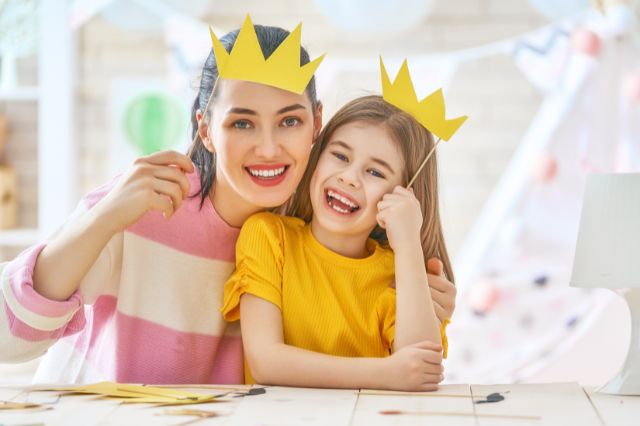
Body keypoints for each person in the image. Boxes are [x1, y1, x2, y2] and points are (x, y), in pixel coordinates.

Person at [0, 17, 455, 385]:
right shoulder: (146, 203)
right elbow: (8, 342)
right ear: (205, 129)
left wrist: (415, 290)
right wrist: (103, 218)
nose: (269, 147)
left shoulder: (310, 231)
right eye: (242, 123)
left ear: (316, 124)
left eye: (290, 122)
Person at [222, 87, 458, 391]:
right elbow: (266, 362)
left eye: (375, 172)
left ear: (402, 195)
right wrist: (385, 373)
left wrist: (409, 243)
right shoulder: (268, 237)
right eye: (340, 155)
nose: (349, 177)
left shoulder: (397, 273)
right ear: (318, 157)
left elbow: (420, 367)